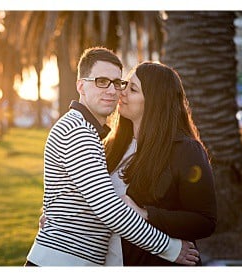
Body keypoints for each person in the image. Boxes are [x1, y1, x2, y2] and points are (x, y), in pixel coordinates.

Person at [25, 47, 199, 266]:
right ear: (81, 86)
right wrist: (170, 248)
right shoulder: (78, 131)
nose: (111, 90)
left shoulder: (92, 133)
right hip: (63, 261)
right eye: (101, 81)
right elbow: (108, 208)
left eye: (117, 83)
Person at [102, 61, 217, 266]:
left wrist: (146, 214)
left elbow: (205, 221)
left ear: (155, 102)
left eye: (133, 89)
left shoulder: (186, 150)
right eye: (125, 85)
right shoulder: (111, 146)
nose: (122, 93)